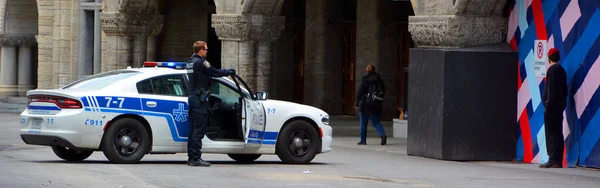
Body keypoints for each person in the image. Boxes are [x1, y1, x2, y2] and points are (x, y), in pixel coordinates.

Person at [186, 41, 235, 167]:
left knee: (193, 130)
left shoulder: (190, 62)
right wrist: (228, 71)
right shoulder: (201, 62)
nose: (207, 52)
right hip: (199, 99)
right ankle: (196, 158)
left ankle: (191, 157)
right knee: (199, 129)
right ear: (201, 50)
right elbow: (214, 72)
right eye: (206, 50)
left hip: (193, 97)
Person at [540, 48, 567, 168]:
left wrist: (547, 104)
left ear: (549, 58)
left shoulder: (551, 70)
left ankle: (552, 159)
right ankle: (558, 160)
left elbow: (550, 90)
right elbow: (564, 90)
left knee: (550, 133)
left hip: (551, 108)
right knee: (558, 133)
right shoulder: (562, 70)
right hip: (559, 107)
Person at [354, 64, 387, 145]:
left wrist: (357, 103)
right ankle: (382, 134)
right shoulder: (379, 79)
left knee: (363, 123)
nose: (367, 68)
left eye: (368, 67)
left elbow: (360, 92)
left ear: (369, 70)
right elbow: (383, 90)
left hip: (365, 103)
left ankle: (363, 140)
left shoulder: (365, 79)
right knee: (376, 122)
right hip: (375, 103)